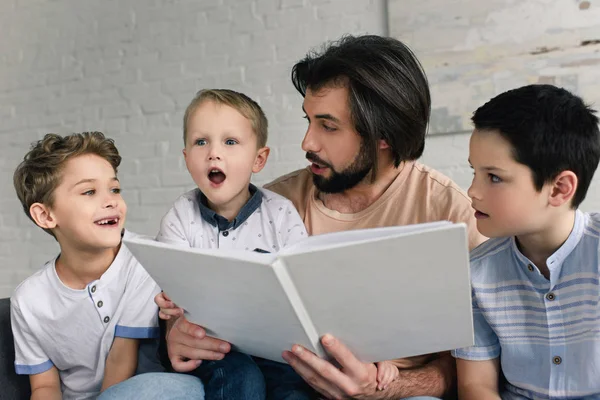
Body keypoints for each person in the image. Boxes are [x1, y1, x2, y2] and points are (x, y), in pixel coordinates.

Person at [167, 35, 486, 400]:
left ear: (383, 135)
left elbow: (472, 367)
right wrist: (179, 332)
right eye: (309, 121)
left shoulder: (450, 212)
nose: (307, 142)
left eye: (328, 126)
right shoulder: (271, 204)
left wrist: (390, 388)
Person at [10, 132, 204, 399]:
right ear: (45, 215)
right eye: (89, 191)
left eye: (114, 189)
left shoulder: (144, 259)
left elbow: (121, 361)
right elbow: (45, 386)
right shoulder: (28, 300)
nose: (111, 200)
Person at [155, 89, 312, 399]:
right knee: (242, 378)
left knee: (295, 388)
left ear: (258, 159)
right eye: (201, 142)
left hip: (273, 345)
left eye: (230, 142)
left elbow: (303, 282)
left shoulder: (280, 213)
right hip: (209, 345)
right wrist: (169, 303)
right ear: (187, 158)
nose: (214, 153)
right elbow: (167, 285)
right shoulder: (180, 215)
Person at [452, 85, 600, 399]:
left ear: (559, 188)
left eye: (493, 177)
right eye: (474, 172)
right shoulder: (475, 273)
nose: (472, 191)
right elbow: (475, 385)